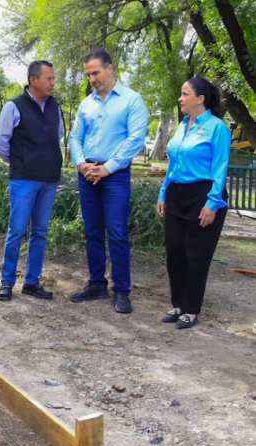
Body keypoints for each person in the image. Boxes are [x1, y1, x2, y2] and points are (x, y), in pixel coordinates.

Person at [69, 49, 149, 314]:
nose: (92, 78)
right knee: (92, 231)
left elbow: (135, 140)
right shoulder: (86, 104)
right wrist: (81, 164)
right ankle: (96, 285)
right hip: (88, 173)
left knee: (117, 232)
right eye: (88, 74)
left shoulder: (132, 100)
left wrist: (107, 168)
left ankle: (122, 290)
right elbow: (75, 138)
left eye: (96, 72)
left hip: (115, 176)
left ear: (110, 69)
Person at [157, 77, 230, 329]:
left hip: (204, 196)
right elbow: (173, 164)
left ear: (200, 99)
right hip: (177, 195)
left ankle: (191, 309)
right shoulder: (183, 125)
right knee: (175, 252)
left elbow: (220, 167)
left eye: (184, 94)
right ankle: (178, 305)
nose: (180, 98)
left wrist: (213, 202)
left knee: (196, 256)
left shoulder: (218, 128)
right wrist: (163, 193)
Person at [0, 60, 63, 302]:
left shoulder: (56, 107)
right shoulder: (14, 106)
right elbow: (0, 142)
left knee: (40, 232)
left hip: (49, 180)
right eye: (49, 79)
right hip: (24, 180)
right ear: (34, 80)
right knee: (17, 230)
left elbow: (58, 136)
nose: (53, 83)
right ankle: (7, 281)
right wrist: (20, 161)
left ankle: (32, 282)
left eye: (54, 78)